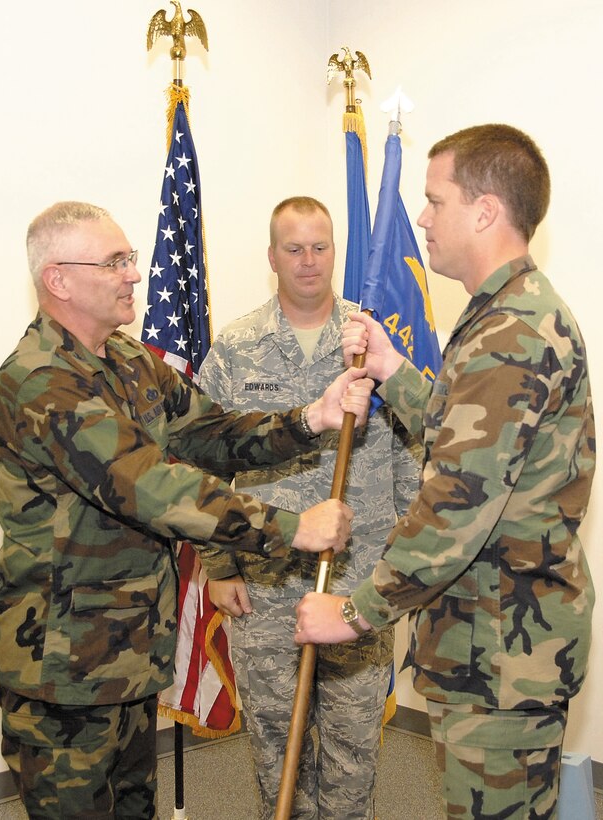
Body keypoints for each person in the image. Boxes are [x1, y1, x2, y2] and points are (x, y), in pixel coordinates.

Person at [0, 201, 374, 820]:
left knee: (134, 806)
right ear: (58, 279)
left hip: (131, 649)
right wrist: (289, 528)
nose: (133, 275)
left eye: (131, 259)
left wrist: (309, 420)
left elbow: (210, 435)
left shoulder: (131, 361)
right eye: (114, 262)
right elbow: (149, 486)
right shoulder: (40, 380)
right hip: (62, 663)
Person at [294, 125, 596, 819]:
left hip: (500, 654)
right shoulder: (506, 315)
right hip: (496, 646)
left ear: (485, 210)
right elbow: (471, 439)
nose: (422, 219)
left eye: (435, 201)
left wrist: (353, 612)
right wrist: (393, 370)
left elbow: (457, 503)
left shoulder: (511, 332)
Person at [197, 196, 421, 819]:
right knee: (277, 757)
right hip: (266, 585)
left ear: (336, 253)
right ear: (272, 256)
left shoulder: (370, 345)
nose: (308, 261)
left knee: (353, 757)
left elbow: (410, 456)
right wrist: (219, 566)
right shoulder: (236, 349)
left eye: (320, 247)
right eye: (293, 248)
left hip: (358, 585)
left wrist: (399, 566)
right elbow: (201, 462)